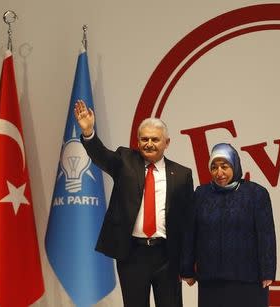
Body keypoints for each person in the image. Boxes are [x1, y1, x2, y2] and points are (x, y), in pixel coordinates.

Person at [74, 99, 194, 307]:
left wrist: (188, 263)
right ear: (137, 141)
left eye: (155, 139)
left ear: (167, 143)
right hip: (132, 255)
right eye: (144, 139)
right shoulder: (124, 161)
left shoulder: (182, 174)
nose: (149, 144)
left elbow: (188, 222)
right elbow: (101, 155)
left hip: (167, 255)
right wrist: (88, 133)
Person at [181, 143, 277, 307]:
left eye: (224, 166)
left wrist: (268, 271)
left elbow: (266, 235)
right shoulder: (201, 194)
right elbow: (190, 234)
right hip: (211, 280)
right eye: (214, 167)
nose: (219, 173)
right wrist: (186, 269)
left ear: (235, 165)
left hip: (249, 278)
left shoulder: (256, 194)